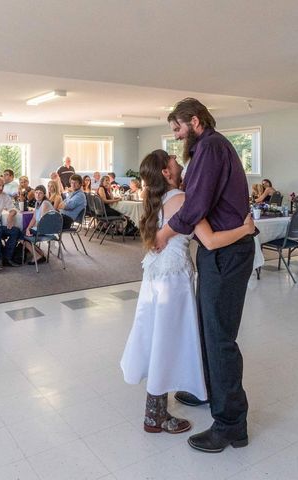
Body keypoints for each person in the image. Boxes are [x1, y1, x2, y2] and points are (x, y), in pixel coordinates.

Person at [120, 149, 255, 436]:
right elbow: (211, 240)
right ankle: (154, 416)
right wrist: (245, 229)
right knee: (168, 340)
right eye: (173, 160)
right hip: (173, 279)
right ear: (167, 173)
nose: (179, 162)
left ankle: (158, 407)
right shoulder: (181, 200)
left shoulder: (160, 199)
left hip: (157, 273)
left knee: (157, 337)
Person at [156, 98, 255, 453]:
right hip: (218, 251)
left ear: (194, 122)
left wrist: (164, 234)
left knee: (219, 337)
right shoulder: (209, 149)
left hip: (227, 253)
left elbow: (195, 204)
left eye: (178, 128)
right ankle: (209, 391)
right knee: (207, 327)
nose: (176, 135)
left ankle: (231, 425)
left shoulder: (210, 147)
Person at [24, 185, 54, 264]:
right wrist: (28, 228)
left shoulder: (45, 203)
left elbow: (41, 221)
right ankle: (40, 253)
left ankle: (37, 255)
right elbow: (34, 218)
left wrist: (30, 230)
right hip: (42, 228)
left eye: (40, 193)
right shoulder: (38, 203)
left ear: (44, 194)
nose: (37, 195)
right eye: (36, 193)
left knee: (21, 235)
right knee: (25, 232)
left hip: (46, 230)